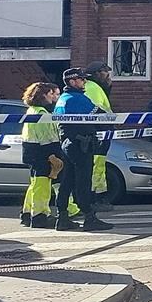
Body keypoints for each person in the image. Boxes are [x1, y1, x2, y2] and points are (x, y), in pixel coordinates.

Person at [53, 69, 111, 232]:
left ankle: (62, 217)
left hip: (67, 143)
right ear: (72, 82)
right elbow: (101, 116)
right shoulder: (77, 98)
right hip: (81, 144)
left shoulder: (63, 99)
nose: (84, 82)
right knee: (83, 181)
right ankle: (89, 216)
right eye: (81, 79)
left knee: (68, 180)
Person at [19, 82, 63, 229]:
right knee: (42, 186)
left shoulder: (31, 110)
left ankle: (27, 214)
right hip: (43, 153)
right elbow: (47, 137)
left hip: (32, 151)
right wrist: (52, 155)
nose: (53, 97)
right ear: (43, 96)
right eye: (50, 94)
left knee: (35, 185)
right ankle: (40, 216)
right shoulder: (42, 114)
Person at [82, 62, 117, 214]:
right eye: (105, 72)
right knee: (96, 168)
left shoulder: (95, 87)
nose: (108, 75)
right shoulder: (92, 87)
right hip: (98, 134)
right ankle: (96, 198)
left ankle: (98, 196)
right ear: (96, 74)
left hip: (101, 133)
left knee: (99, 167)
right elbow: (95, 111)